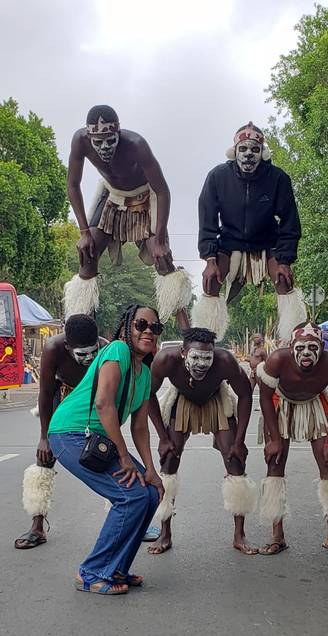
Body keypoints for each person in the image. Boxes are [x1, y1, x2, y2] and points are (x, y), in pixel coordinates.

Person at [47, 305, 165, 595]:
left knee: (150, 493)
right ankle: (92, 573)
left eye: (155, 327)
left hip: (97, 441)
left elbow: (140, 426)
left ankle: (116, 569)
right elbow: (103, 403)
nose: (148, 331)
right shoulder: (117, 352)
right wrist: (124, 457)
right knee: (131, 496)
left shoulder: (145, 373)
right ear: (127, 327)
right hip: (70, 433)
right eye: (141, 325)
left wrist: (151, 470)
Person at [64, 105, 191, 324]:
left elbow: (162, 191)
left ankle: (189, 334)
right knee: (88, 253)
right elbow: (73, 185)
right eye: (98, 142)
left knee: (162, 258)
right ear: (89, 136)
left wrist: (159, 240)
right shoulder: (79, 141)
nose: (104, 148)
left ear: (118, 133)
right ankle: (80, 329)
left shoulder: (136, 145)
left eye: (110, 141)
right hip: (112, 196)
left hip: (145, 196)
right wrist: (84, 232)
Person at [192, 121, 306, 343]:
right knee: (211, 281)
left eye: (254, 149)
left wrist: (284, 260)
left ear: (262, 153)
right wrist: (209, 258)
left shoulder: (278, 178)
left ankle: (294, 341)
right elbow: (207, 220)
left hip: (266, 242)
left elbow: (290, 222)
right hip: (230, 241)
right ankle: (203, 340)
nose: (248, 155)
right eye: (242, 149)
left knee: (285, 281)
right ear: (234, 151)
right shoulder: (217, 176)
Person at [148, 327, 257, 556]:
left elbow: (245, 395)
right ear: (182, 352)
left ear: (214, 354)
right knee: (169, 460)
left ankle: (239, 535)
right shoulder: (165, 360)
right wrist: (162, 437)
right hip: (182, 399)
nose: (200, 364)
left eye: (207, 358)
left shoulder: (225, 361)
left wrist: (239, 441)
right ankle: (164, 533)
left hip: (217, 398)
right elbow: (147, 394)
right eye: (195, 357)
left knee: (235, 461)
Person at [256, 321, 328, 556]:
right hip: (281, 404)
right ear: (291, 347)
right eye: (300, 348)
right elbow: (264, 398)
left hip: (315, 404)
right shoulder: (277, 360)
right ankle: (277, 535)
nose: (307, 353)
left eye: (313, 347)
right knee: (275, 464)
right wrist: (274, 439)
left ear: (322, 346)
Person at [15, 315, 108, 550]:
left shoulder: (106, 349)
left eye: (92, 352)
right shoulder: (53, 349)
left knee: (108, 455)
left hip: (94, 401)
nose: (88, 359)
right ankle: (37, 525)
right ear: (67, 347)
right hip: (63, 397)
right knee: (43, 459)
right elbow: (45, 394)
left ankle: (124, 517)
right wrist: (44, 437)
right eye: (81, 354)